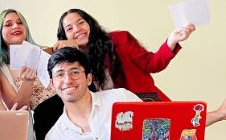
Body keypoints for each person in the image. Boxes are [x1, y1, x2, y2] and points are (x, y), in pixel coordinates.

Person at [43, 47, 226, 140]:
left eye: (75, 72)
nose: (68, 79)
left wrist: (218, 114)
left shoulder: (120, 99)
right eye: (60, 74)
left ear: (89, 78)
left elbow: (167, 127)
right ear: (52, 84)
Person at [55, 8, 196, 101]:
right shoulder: (70, 63)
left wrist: (172, 40)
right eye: (70, 28)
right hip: (107, 119)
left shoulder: (119, 39)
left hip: (143, 105)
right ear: (65, 37)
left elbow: (152, 64)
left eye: (81, 23)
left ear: (90, 24)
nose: (78, 29)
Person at [0, 9, 62, 140]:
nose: (15, 27)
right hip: (44, 117)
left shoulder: (45, 51)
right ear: (0, 32)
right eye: (8, 24)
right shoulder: (0, 67)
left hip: (68, 108)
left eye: (19, 23)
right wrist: (27, 82)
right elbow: (17, 108)